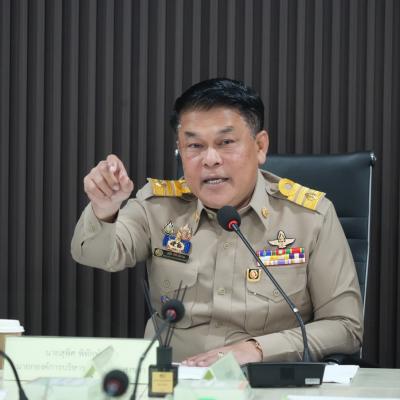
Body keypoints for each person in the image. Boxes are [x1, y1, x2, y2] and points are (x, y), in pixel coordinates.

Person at [71, 78, 363, 366]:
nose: (210, 159)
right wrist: (105, 208)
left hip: (263, 382)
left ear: (260, 146)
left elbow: (345, 326)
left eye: (226, 142)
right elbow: (94, 254)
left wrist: (256, 349)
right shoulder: (158, 206)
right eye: (194, 145)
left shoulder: (309, 218)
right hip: (172, 380)